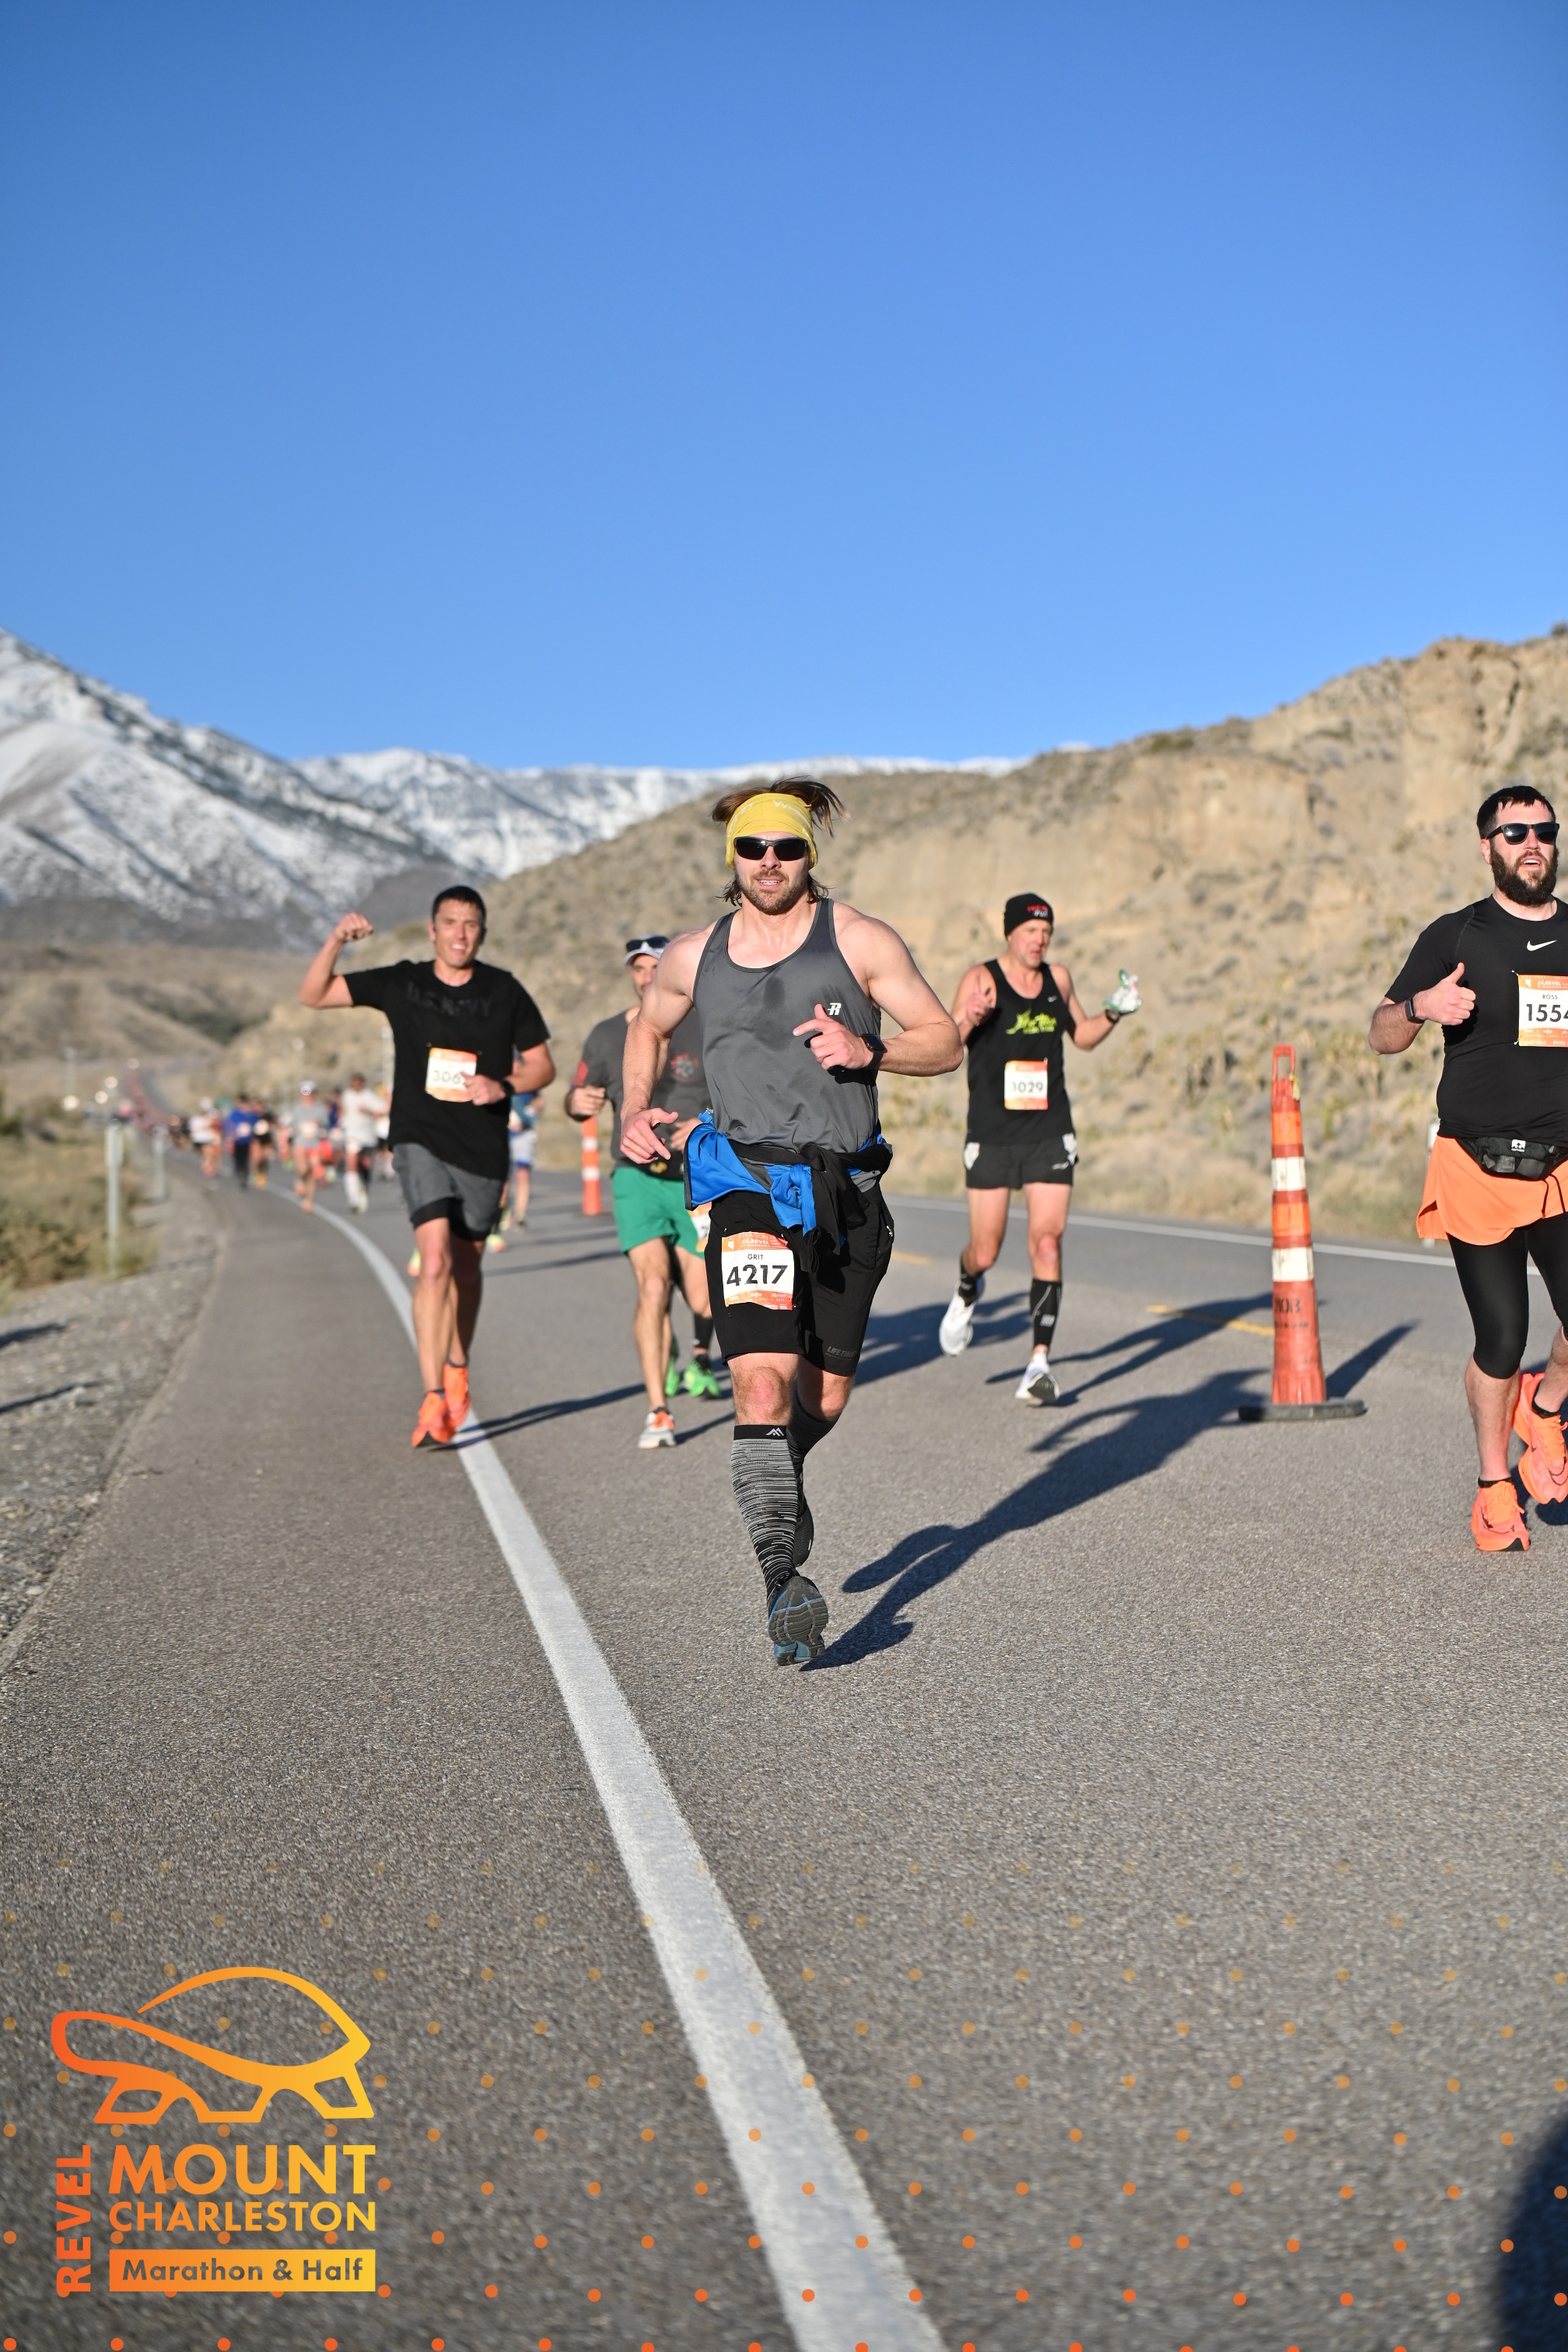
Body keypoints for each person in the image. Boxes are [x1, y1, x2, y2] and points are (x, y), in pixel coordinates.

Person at [621, 782, 961, 1664]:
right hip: (746, 1185)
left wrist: (871, 1049)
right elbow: (647, 1029)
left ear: (810, 854)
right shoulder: (694, 954)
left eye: (787, 847)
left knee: (823, 1397)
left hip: (846, 1191)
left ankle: (780, 1468)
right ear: (732, 856)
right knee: (761, 1389)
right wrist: (633, 1107)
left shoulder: (860, 940)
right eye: (753, 847)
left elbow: (944, 1039)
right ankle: (782, 1582)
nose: (769, 862)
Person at [1372, 785, 1568, 1552]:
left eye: (1544, 829)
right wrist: (1419, 1007)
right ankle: (1493, 1487)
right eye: (1514, 832)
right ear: (1487, 847)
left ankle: (1542, 1409)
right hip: (1476, 1170)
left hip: (1562, 1171)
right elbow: (1382, 1033)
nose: (1532, 842)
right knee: (1502, 1339)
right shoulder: (1456, 934)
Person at [299, 886, 555, 1447]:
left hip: (482, 1148)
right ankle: (433, 1394)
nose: (460, 933)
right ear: (432, 930)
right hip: (419, 1139)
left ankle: (457, 1366)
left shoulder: (504, 991)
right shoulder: (404, 982)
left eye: (471, 924)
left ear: (481, 933)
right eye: (450, 923)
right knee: (433, 1260)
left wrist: (502, 1084)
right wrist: (337, 939)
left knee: (466, 1267)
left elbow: (542, 1066)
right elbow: (313, 994)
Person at [938, 894, 1141, 1402]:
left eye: (1046, 931)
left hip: (1049, 1129)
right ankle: (967, 1288)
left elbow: (1084, 1036)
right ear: (1010, 933)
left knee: (1047, 1242)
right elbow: (947, 1045)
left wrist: (1114, 1012)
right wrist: (971, 1017)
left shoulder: (1059, 979)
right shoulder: (981, 979)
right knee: (985, 1251)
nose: (1040, 939)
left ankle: (1038, 1364)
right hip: (992, 1132)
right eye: (1031, 931)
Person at [565, 936, 720, 1450]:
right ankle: (659, 1411)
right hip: (637, 1179)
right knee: (653, 1285)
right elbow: (577, 1093)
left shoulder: (705, 1025)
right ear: (631, 975)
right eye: (639, 968)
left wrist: (704, 1122)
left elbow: (737, 1093)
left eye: (656, 966)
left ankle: (694, 1354)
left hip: (696, 1179)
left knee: (702, 1295)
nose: (647, 976)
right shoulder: (609, 1034)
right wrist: (576, 1102)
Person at [489, 1091, 538, 1248]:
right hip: (503, 1134)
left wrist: (532, 1113)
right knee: (503, 1180)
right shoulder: (499, 1081)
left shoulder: (528, 1082)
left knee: (523, 1174)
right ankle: (500, 1218)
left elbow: (539, 1099)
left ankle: (520, 1215)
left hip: (523, 1135)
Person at [340, 1072, 387, 1214]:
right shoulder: (347, 1096)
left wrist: (367, 1112)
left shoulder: (369, 1096)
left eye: (358, 1082)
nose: (356, 1085)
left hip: (368, 1137)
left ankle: (364, 1188)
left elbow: (382, 1112)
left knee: (366, 1165)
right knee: (351, 1163)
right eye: (353, 1082)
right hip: (352, 1136)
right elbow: (343, 1111)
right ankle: (353, 1199)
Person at [286, 1080, 331, 1213]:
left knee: (312, 1174)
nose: (307, 1095)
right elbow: (290, 1125)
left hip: (315, 1144)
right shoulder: (297, 1109)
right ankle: (300, 1180)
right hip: (300, 1142)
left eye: (310, 1092)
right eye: (305, 1092)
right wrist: (295, 1129)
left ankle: (309, 1201)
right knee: (303, 1168)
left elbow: (325, 1125)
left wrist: (318, 1127)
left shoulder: (320, 1109)